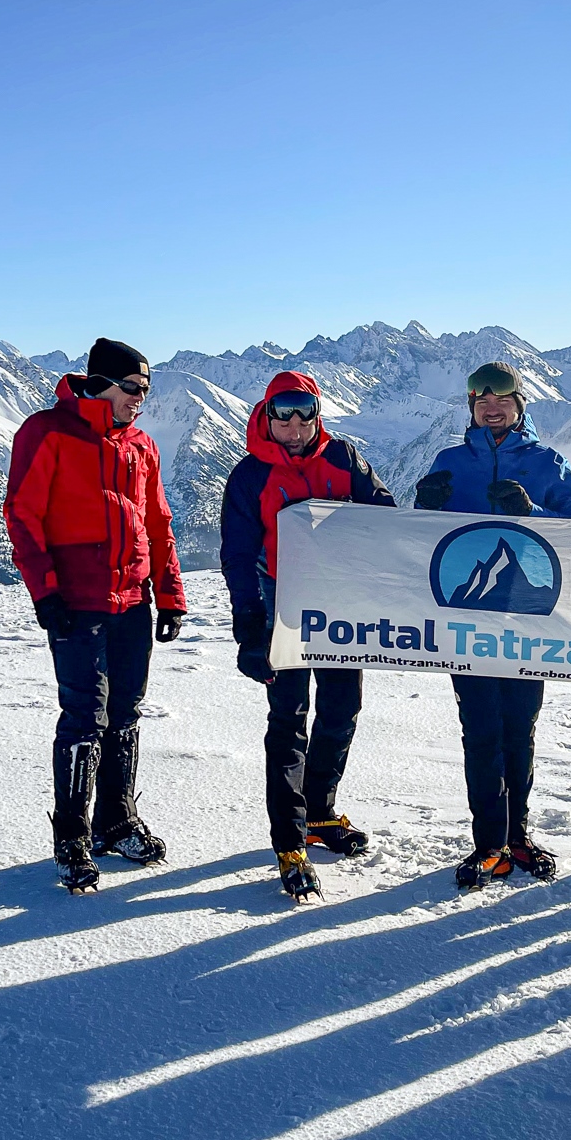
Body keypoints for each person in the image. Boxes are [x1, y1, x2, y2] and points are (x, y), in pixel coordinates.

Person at [4, 338, 186, 893]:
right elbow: (23, 513)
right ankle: (72, 837)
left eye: (146, 391)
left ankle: (116, 821)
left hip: (133, 602)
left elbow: (158, 523)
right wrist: (46, 592)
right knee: (85, 716)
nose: (140, 399)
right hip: (77, 604)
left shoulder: (142, 446)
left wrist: (171, 593)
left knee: (126, 712)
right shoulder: (47, 432)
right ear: (100, 383)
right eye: (133, 389)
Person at [413, 360, 571, 890]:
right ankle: (488, 842)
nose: (493, 410)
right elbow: (418, 544)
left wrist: (533, 509)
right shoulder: (450, 461)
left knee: (519, 728)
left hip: (528, 620)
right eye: (482, 403)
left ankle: (518, 836)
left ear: (519, 406)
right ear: (471, 408)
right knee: (481, 729)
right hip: (465, 622)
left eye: (503, 402)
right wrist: (425, 509)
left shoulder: (545, 462)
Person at [220, 372, 398, 900]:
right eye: (283, 414)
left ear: (317, 414)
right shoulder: (251, 475)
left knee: (342, 707)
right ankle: (290, 838)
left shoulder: (343, 458)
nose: (294, 426)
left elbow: (382, 517)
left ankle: (319, 812)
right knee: (290, 714)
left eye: (304, 413)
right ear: (267, 416)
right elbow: (235, 557)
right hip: (284, 604)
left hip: (339, 600)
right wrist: (250, 628)